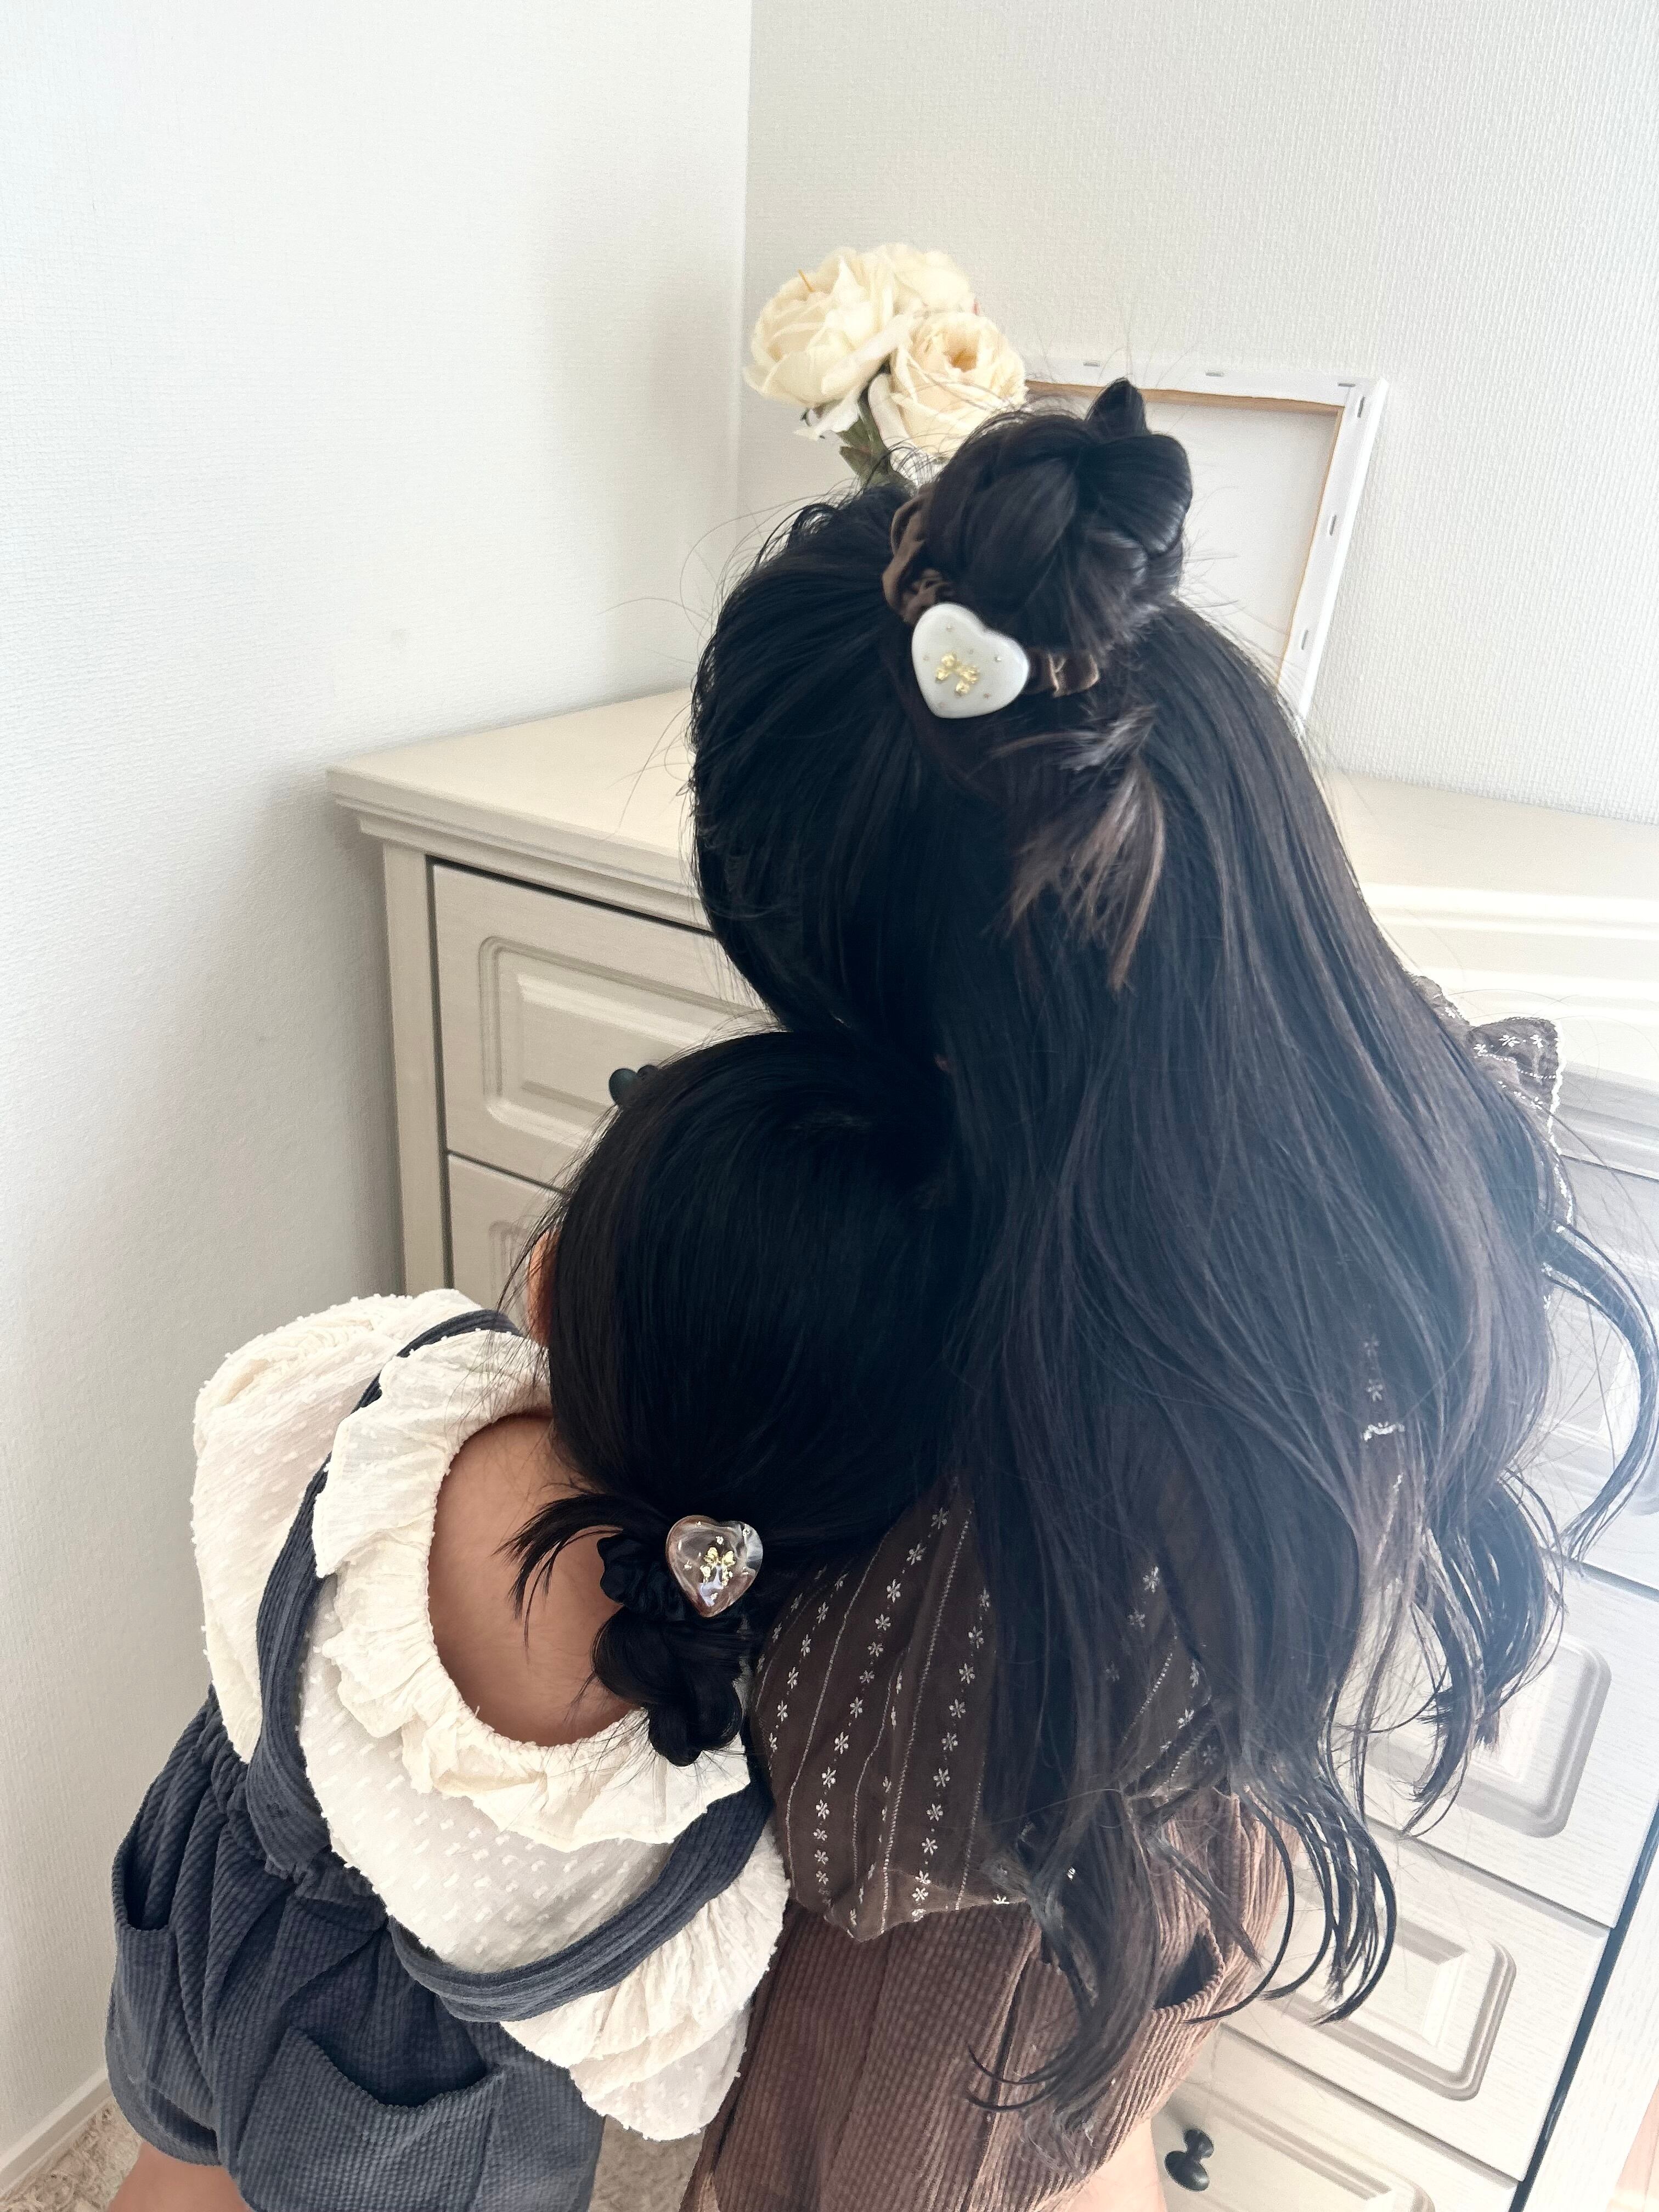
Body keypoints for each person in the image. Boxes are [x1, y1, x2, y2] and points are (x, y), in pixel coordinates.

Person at [679, 382, 1659, 2208]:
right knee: (1081, 2134)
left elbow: (848, 1821)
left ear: (933, 1051)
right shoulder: (1365, 1114)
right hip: (1155, 1884)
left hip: (958, 1967)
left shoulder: (1018, 1504)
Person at [105, 1030, 968, 2212]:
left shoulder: (386, 1384)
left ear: (548, 1283)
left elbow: (235, 1463)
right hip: (407, 2100)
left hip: (207, 1891)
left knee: (173, 2175)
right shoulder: (681, 1802)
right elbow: (668, 2084)